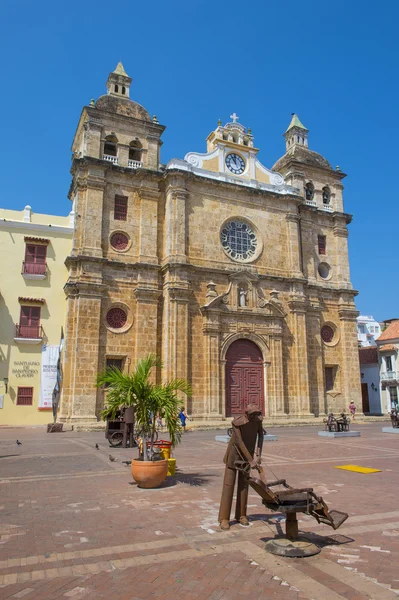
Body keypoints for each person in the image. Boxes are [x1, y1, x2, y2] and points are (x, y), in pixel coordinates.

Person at [218, 404, 264, 531]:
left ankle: (241, 515)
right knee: (229, 486)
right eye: (253, 415)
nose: (255, 417)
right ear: (247, 414)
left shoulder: (258, 420)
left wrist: (258, 455)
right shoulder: (238, 423)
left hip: (247, 455)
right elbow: (239, 441)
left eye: (257, 414)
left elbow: (261, 436)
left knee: (244, 485)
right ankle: (224, 518)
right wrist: (251, 460)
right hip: (234, 455)